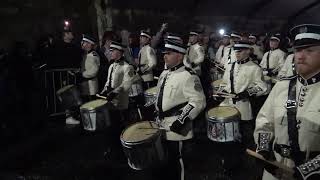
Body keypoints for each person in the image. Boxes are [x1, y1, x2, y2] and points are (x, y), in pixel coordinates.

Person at [254, 24, 320, 180]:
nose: (300, 56)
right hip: (274, 168)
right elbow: (265, 121)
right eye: (297, 50)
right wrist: (264, 149)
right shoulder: (281, 87)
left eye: (309, 50)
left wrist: (310, 169)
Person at [155, 39, 206, 180]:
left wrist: (182, 119)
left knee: (178, 162)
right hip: (162, 125)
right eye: (164, 53)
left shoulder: (189, 76)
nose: (164, 56)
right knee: (166, 161)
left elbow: (198, 101)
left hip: (178, 129)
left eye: (169, 53)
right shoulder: (164, 74)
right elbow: (161, 96)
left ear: (179, 55)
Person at [219, 40, 268, 148]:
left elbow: (262, 87)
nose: (237, 53)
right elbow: (224, 82)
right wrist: (222, 92)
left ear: (247, 51)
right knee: (228, 136)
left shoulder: (255, 68)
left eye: (240, 51)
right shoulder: (230, 66)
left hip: (243, 106)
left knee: (244, 136)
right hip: (228, 105)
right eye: (235, 51)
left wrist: (248, 93)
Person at [100, 41, 135, 161]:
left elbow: (127, 84)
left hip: (121, 103)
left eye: (113, 50)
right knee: (111, 127)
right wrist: (104, 91)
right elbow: (108, 82)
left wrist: (115, 92)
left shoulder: (127, 67)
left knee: (121, 127)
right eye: (110, 50)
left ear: (119, 52)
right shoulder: (111, 66)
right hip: (110, 102)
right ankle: (113, 149)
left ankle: (123, 152)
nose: (110, 53)